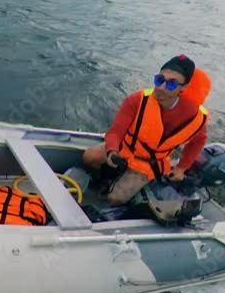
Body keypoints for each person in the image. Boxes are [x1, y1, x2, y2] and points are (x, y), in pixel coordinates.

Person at [82, 54, 209, 207]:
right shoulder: (136, 100)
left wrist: (182, 168)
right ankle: (101, 180)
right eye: (159, 79)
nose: (161, 87)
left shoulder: (195, 117)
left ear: (184, 87)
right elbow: (116, 131)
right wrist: (112, 151)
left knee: (114, 200)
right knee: (90, 156)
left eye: (171, 84)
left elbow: (198, 141)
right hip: (123, 150)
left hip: (147, 164)